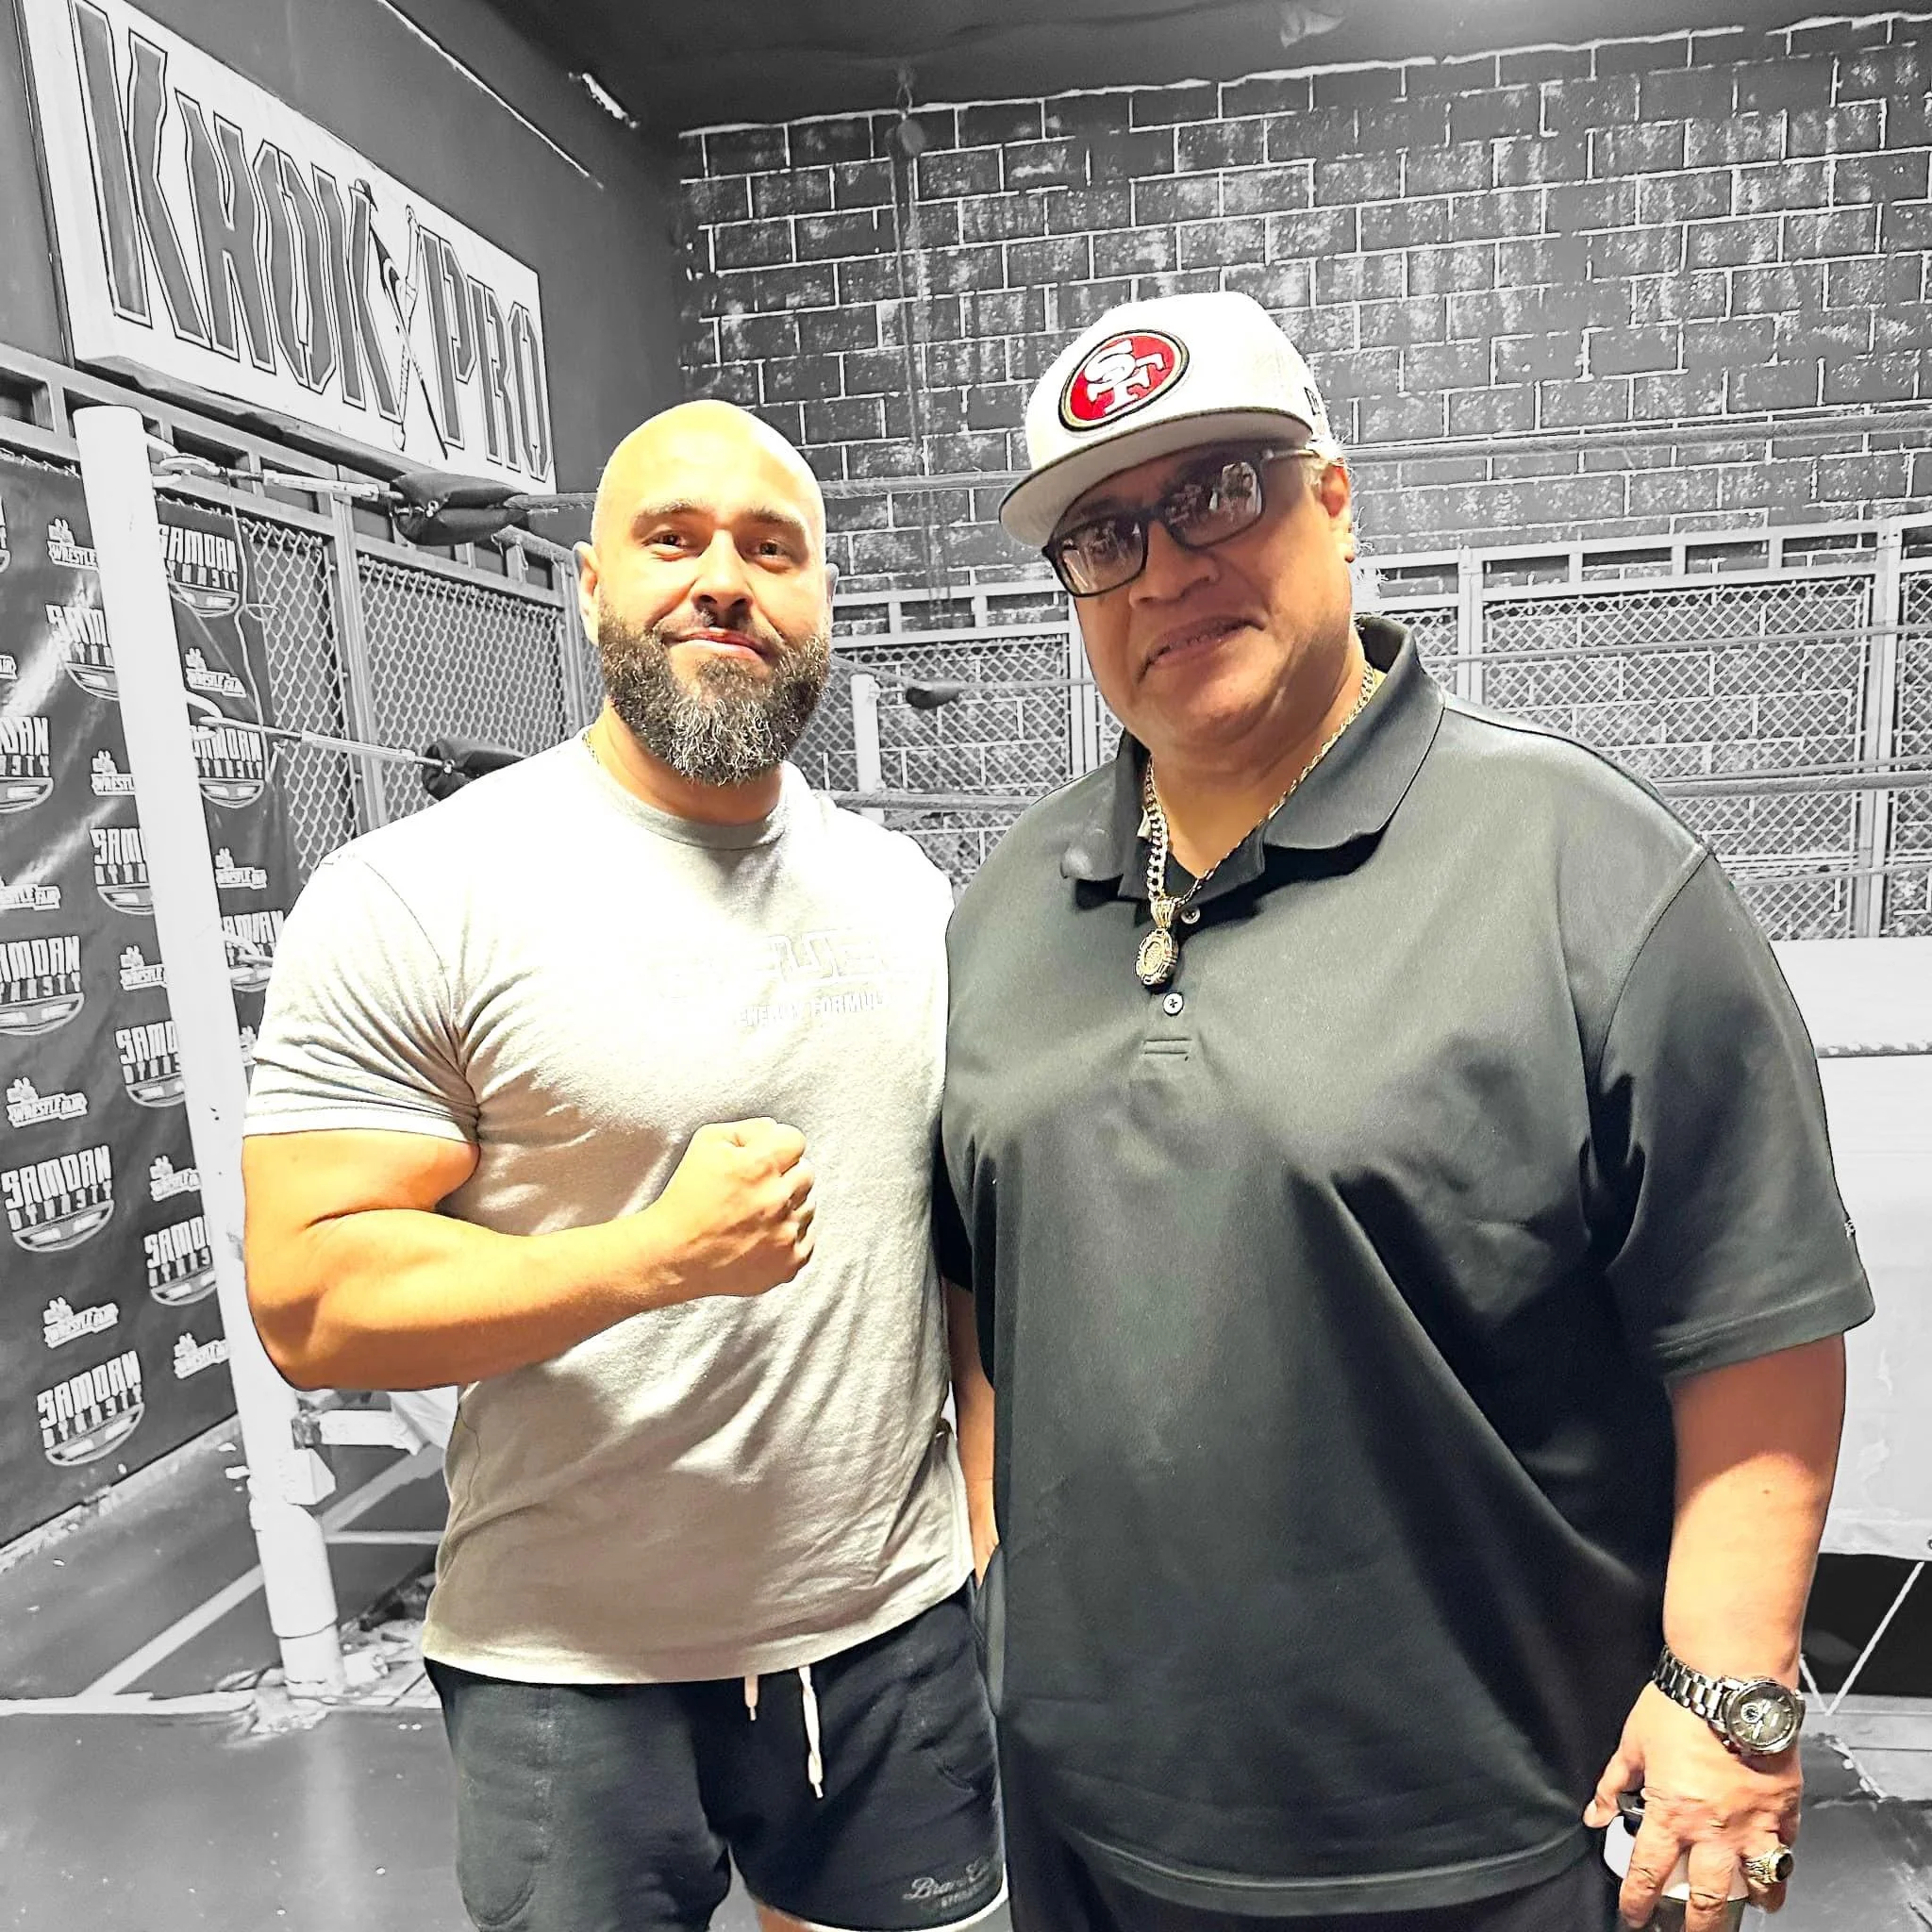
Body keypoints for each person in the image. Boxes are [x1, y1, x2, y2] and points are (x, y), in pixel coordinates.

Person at [938, 291, 1871, 1932]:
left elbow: (1758, 1318)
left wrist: (1729, 1697)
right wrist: (1002, 1601)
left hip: (1489, 1833)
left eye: (1216, 492)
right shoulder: (1007, 905)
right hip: (1089, 1820)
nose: (1164, 570)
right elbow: (987, 1299)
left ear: (1335, 499)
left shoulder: (1587, 867)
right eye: (1103, 535)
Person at [243, 399, 1003, 1932]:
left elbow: (967, 1257)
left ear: (821, 601)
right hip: (566, 1663)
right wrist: (649, 1261)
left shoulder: (907, 896)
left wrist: (984, 1547)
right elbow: (311, 1299)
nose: (724, 579)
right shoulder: (420, 895)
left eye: (771, 549)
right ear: (592, 587)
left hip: (888, 1635)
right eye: (673, 539)